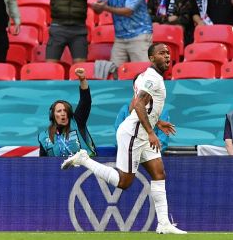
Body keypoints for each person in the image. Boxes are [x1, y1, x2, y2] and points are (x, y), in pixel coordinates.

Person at [61, 43, 186, 234]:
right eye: (162, 53)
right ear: (152, 58)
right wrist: (152, 132)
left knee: (159, 173)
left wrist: (157, 122)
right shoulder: (152, 78)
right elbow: (138, 106)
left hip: (142, 131)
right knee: (124, 182)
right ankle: (84, 159)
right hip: (135, 133)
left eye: (168, 53)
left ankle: (163, 224)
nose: (167, 56)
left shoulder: (146, 76)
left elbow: (135, 105)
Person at [91, 0, 153, 68]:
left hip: (139, 36)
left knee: (143, 72)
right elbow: (100, 9)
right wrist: (97, 7)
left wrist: (106, 7)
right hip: (120, 38)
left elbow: (128, 11)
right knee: (114, 73)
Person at [38, 67, 97, 157]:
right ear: (53, 115)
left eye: (65, 110)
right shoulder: (44, 137)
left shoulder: (77, 122)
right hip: (59, 170)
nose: (63, 113)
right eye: (59, 111)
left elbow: (86, 101)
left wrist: (82, 80)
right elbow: (43, 163)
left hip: (87, 168)